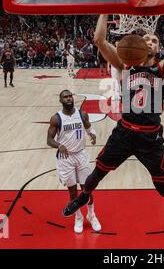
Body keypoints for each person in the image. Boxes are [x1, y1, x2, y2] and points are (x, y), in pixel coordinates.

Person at [62, 14, 164, 234]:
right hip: (125, 132)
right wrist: (105, 11)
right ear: (139, 45)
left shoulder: (163, 69)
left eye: (154, 40)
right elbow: (99, 41)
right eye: (146, 39)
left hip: (150, 138)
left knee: (162, 186)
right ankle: (84, 197)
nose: (149, 42)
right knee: (97, 174)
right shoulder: (123, 66)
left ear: (158, 49)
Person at [47, 90, 102, 233]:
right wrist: (59, 145)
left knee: (87, 189)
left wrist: (93, 135)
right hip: (66, 158)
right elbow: (49, 140)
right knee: (72, 192)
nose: (69, 98)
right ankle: (78, 218)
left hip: (81, 154)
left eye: (70, 96)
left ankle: (92, 215)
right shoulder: (56, 119)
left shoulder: (82, 114)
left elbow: (89, 128)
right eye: (65, 97)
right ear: (61, 100)